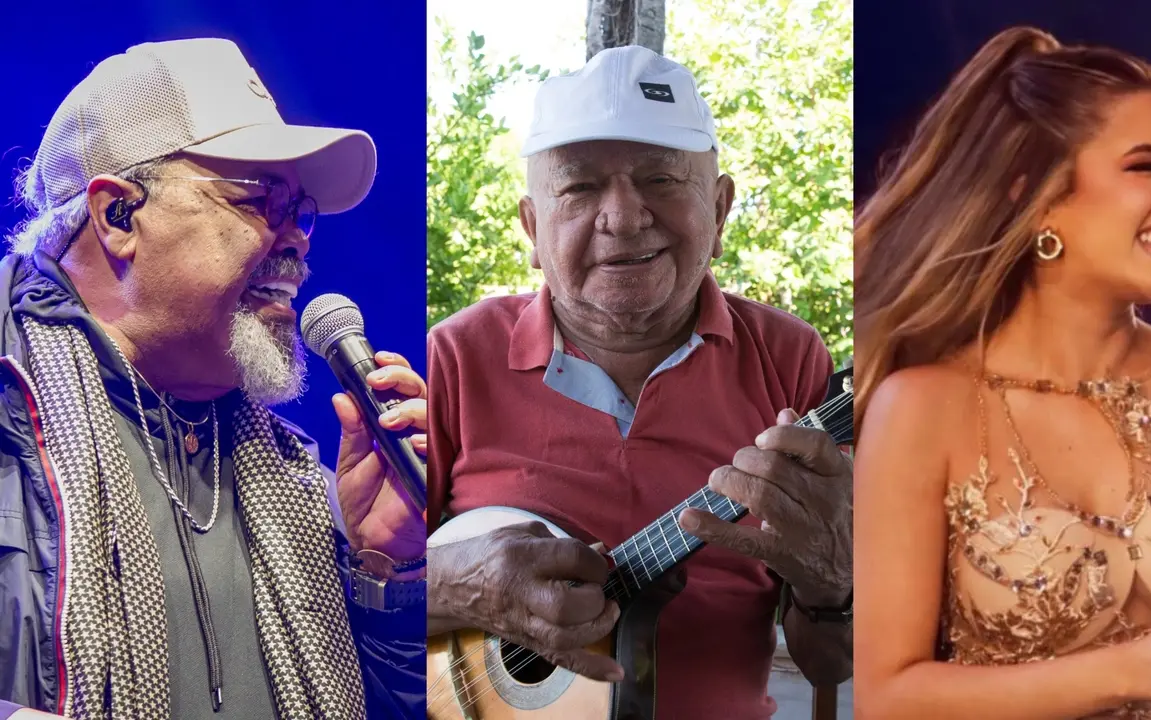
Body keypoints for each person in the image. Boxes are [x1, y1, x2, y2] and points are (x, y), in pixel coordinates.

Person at [852, 25, 1151, 719]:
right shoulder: (923, 409)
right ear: (1039, 197)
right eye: (1144, 166)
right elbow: (887, 698)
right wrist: (1131, 672)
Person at [0, 39, 428, 720]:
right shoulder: (13, 426)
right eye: (259, 199)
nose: (297, 238)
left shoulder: (300, 480)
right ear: (117, 216)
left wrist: (386, 569)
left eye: (300, 210)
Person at [426, 45, 852, 719]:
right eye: (579, 187)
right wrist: (455, 586)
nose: (624, 217)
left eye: (661, 179)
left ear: (720, 209)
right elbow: (361, 596)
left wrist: (832, 582)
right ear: (532, 228)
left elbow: (830, 663)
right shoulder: (454, 356)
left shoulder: (790, 358)